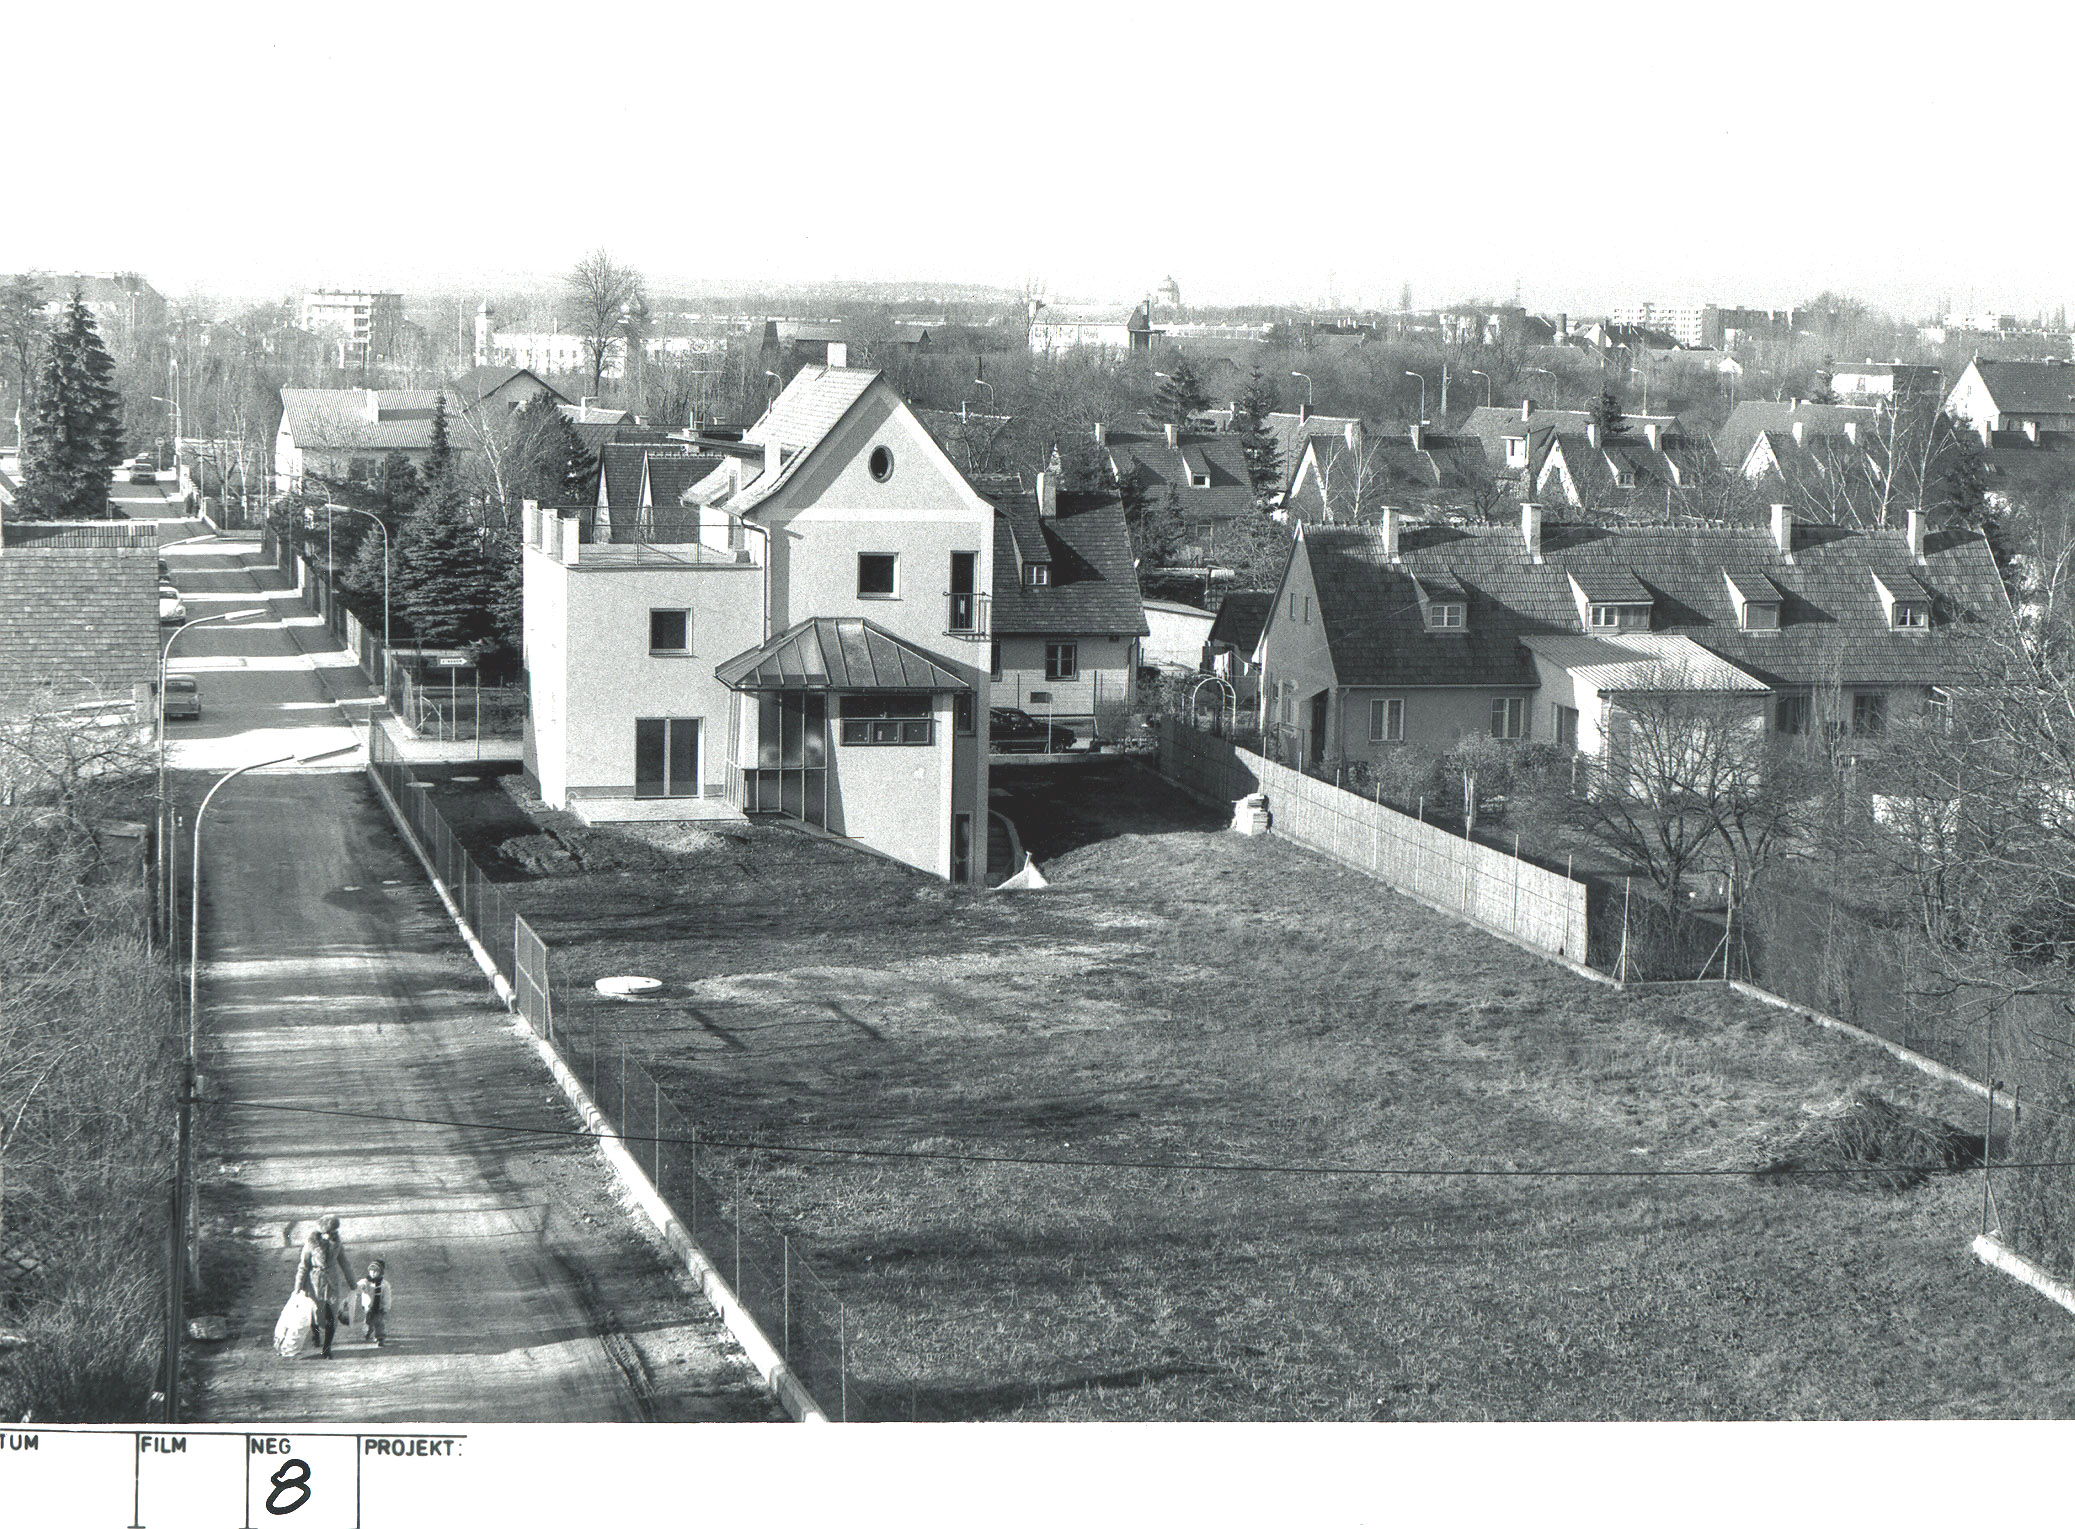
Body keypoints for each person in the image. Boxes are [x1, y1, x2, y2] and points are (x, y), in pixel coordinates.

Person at [293, 1221, 351, 1358]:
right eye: (327, 1233)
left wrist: (352, 1283)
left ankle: (327, 1348)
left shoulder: (337, 1244)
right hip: (314, 1283)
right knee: (315, 1314)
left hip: (332, 1284)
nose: (330, 1236)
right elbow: (303, 1266)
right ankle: (316, 1335)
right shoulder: (311, 1244)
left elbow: (345, 1263)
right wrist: (298, 1287)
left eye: (333, 1233)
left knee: (331, 1315)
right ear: (321, 1232)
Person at [356, 1259, 392, 1347]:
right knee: (368, 1321)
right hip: (368, 1307)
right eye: (371, 1271)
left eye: (376, 1271)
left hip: (379, 1308)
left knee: (379, 1323)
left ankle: (380, 1338)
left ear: (381, 1273)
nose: (373, 1273)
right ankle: (368, 1331)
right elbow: (359, 1287)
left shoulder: (384, 1285)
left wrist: (386, 1307)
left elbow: (387, 1297)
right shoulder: (366, 1282)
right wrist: (358, 1288)